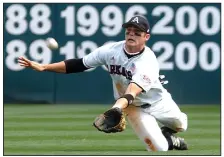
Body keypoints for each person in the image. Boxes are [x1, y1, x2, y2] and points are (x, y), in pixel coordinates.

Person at [17, 15, 188, 151]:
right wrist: (44, 67)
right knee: (160, 148)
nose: (131, 35)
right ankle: (168, 140)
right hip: (133, 107)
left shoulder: (148, 61)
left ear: (146, 37)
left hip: (157, 101)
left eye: (137, 33)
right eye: (129, 31)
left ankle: (168, 132)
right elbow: (79, 64)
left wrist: (116, 108)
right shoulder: (110, 50)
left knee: (181, 124)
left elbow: (132, 91)